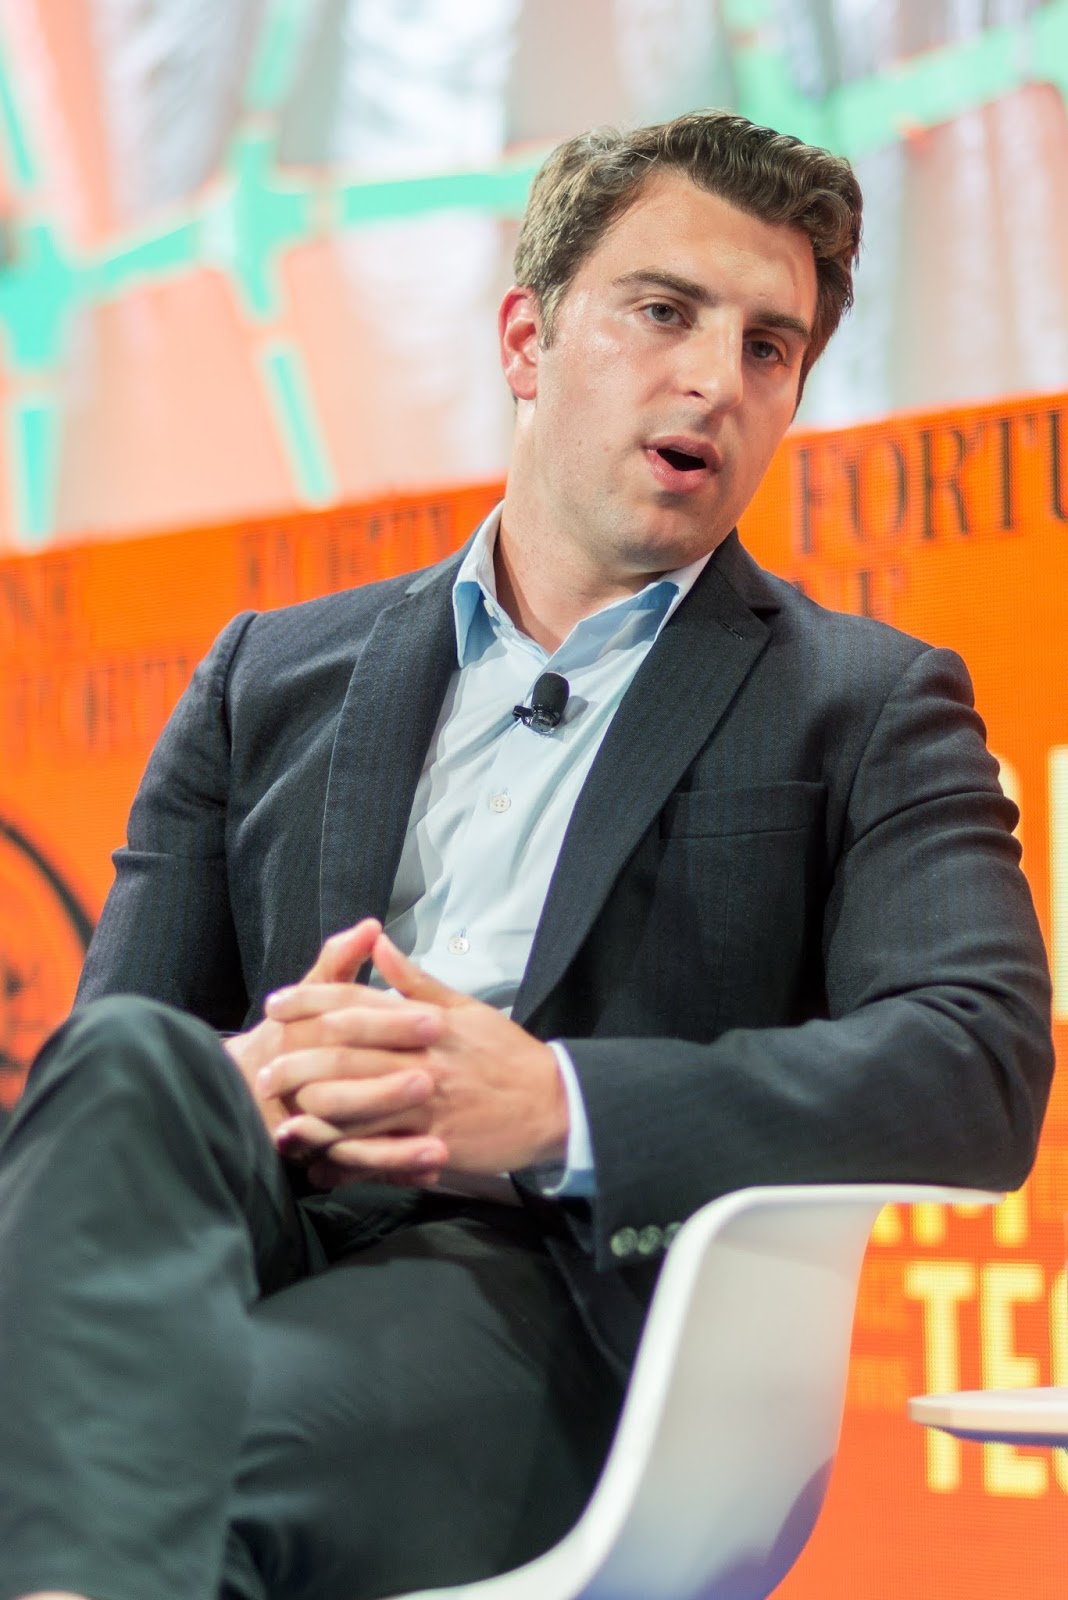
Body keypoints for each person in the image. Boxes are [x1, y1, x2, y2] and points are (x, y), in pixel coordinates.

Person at [0, 111, 1053, 1600]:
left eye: (768, 346)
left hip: (545, 1293)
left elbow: (975, 1065)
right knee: (121, 1071)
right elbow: (120, 1055)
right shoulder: (264, 674)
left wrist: (553, 1104)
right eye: (665, 311)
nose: (715, 377)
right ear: (525, 339)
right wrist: (259, 1077)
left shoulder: (864, 701)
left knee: (152, 1460)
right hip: (235, 1220)